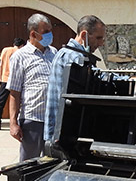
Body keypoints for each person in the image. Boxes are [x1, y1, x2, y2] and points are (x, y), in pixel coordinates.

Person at [44, 15, 106, 143]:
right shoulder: (73, 57)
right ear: (84, 35)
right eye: (98, 38)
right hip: (62, 131)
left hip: (57, 129)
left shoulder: (64, 53)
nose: (101, 43)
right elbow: (96, 76)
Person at [7, 13, 57, 161]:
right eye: (45, 32)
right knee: (29, 164)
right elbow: (14, 92)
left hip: (52, 120)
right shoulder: (20, 56)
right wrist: (13, 123)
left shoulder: (54, 53)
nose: (50, 34)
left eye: (50, 30)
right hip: (33, 119)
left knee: (51, 163)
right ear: (33, 33)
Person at [0, 37, 25, 130]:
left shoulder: (5, 50)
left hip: (5, 79)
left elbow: (1, 64)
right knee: (19, 102)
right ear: (22, 45)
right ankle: (18, 122)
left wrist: (0, 78)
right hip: (16, 80)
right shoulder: (21, 52)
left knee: (1, 102)